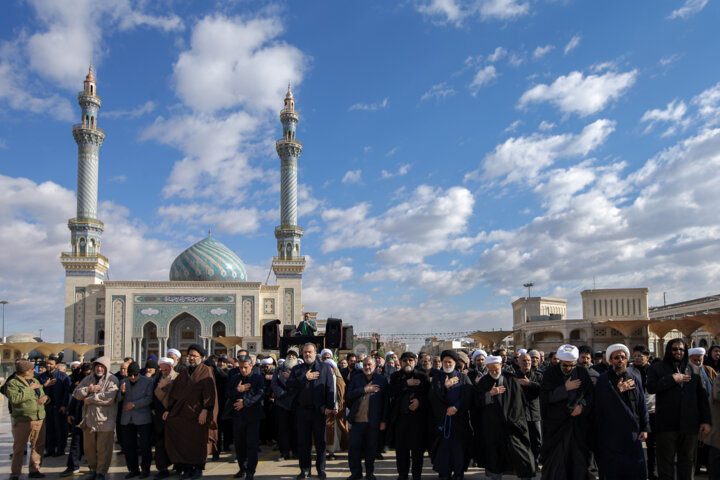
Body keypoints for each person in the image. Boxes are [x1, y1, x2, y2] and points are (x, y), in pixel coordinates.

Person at [647, 338, 711, 480]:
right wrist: (672, 379)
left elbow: (702, 397)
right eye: (675, 349)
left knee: (687, 461)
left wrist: (706, 421)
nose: (678, 352)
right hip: (667, 425)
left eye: (681, 349)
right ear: (669, 350)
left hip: (689, 424)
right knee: (666, 462)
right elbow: (651, 387)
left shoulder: (693, 369)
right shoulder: (657, 368)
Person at [593, 344, 649, 479]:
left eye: (623, 357)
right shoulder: (603, 380)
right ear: (610, 360)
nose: (620, 360)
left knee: (634, 467)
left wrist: (645, 427)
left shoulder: (634, 378)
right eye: (616, 357)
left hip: (632, 432)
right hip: (612, 434)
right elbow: (600, 405)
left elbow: (642, 403)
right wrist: (617, 392)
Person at [164, 344, 218, 480]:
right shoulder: (184, 373)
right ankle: (187, 468)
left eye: (194, 356)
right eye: (189, 355)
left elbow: (210, 393)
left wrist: (206, 410)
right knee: (184, 442)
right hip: (184, 413)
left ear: (201, 357)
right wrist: (169, 410)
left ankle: (198, 468)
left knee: (198, 443)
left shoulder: (206, 371)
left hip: (198, 414)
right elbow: (175, 393)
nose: (191, 358)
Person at [476, 355, 536, 480]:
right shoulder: (484, 382)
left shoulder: (511, 379)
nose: (493, 372)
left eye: (496, 369)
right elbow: (477, 402)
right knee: (495, 455)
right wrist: (490, 394)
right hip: (493, 426)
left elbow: (519, 402)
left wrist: (511, 419)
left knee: (520, 452)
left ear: (501, 366)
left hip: (513, 424)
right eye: (491, 369)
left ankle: (526, 475)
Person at [539, 344, 594, 480]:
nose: (568, 369)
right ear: (560, 362)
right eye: (565, 366)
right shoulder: (550, 374)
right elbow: (545, 397)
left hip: (578, 424)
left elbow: (590, 395)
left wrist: (581, 407)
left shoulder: (582, 373)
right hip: (557, 425)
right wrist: (564, 388)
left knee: (578, 460)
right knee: (556, 461)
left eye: (571, 366)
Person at [287, 342, 336, 480]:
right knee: (303, 443)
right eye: (305, 352)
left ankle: (321, 470)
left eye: (310, 352)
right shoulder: (297, 369)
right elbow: (290, 385)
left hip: (319, 411)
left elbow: (330, 388)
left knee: (321, 443)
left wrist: (329, 406)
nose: (307, 354)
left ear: (316, 353)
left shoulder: (325, 368)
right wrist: (305, 378)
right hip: (302, 411)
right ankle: (305, 470)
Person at [72, 356, 119, 480]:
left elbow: (110, 397)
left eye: (101, 366)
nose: (99, 369)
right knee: (89, 449)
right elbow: (76, 393)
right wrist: (89, 389)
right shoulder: (89, 379)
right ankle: (94, 469)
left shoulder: (112, 379)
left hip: (105, 420)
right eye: (97, 366)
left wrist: (90, 399)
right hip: (89, 419)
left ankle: (101, 472)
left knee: (103, 448)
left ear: (106, 368)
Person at [429, 350, 472, 480]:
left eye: (450, 362)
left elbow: (468, 395)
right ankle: (444, 472)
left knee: (458, 449)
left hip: (459, 421)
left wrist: (456, 407)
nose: (447, 364)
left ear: (455, 363)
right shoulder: (437, 379)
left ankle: (458, 473)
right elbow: (432, 397)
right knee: (444, 450)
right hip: (443, 421)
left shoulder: (463, 377)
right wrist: (445, 387)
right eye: (445, 362)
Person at [388, 352, 430, 480]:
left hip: (417, 420)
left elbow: (430, 396)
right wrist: (406, 383)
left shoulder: (422, 376)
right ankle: (402, 475)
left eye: (410, 360)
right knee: (401, 451)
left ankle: (416, 476)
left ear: (415, 361)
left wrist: (419, 402)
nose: (408, 363)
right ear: (400, 362)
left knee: (417, 452)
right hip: (401, 419)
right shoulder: (395, 376)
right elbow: (391, 391)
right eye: (405, 360)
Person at [345, 356, 388, 480]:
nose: (367, 367)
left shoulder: (382, 380)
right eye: (364, 365)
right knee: (354, 449)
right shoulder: (356, 379)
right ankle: (355, 473)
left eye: (369, 365)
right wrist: (364, 389)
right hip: (358, 421)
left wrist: (384, 420)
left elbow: (386, 402)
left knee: (371, 449)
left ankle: (370, 473)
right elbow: (349, 394)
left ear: (375, 366)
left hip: (373, 421)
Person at [6, 359, 48, 480]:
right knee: (19, 447)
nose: (33, 371)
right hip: (23, 419)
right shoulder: (13, 383)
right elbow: (14, 398)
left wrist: (45, 399)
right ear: (25, 371)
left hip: (39, 417)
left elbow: (41, 394)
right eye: (31, 369)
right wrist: (29, 389)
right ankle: (15, 473)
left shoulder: (35, 380)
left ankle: (34, 469)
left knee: (38, 445)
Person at [227, 355, 264, 480]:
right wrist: (237, 390)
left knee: (251, 444)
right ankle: (242, 468)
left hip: (252, 416)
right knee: (239, 444)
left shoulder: (258, 378)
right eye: (241, 367)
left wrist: (245, 403)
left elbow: (260, 394)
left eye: (245, 367)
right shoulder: (234, 378)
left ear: (251, 366)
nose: (243, 370)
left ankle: (250, 471)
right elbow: (228, 393)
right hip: (238, 417)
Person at [119, 362, 154, 479]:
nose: (132, 377)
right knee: (128, 446)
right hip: (127, 419)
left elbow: (149, 398)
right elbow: (117, 399)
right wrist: (122, 393)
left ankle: (145, 469)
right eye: (130, 375)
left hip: (143, 418)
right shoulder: (123, 382)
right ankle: (133, 469)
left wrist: (134, 404)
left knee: (145, 445)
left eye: (134, 375)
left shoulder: (148, 382)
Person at [629, 344, 657, 480]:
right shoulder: (629, 371)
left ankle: (652, 472)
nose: (637, 359)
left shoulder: (655, 370)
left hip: (652, 411)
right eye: (635, 356)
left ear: (648, 357)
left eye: (640, 356)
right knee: (634, 444)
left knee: (652, 445)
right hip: (636, 413)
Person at [37, 355, 71, 457]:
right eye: (47, 363)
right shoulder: (41, 377)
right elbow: (36, 390)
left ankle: (60, 449)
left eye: (51, 364)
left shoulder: (63, 376)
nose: (48, 365)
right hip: (47, 408)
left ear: (56, 365)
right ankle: (49, 449)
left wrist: (64, 405)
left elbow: (66, 392)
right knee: (48, 429)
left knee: (59, 429)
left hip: (59, 407)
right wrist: (45, 385)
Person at [63, 362, 92, 477]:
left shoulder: (98, 381)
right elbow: (75, 397)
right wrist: (70, 412)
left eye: (88, 374)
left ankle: (93, 467)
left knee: (91, 444)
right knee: (76, 442)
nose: (86, 376)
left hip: (91, 416)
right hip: (78, 415)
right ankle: (73, 466)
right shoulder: (81, 382)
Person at [152, 357, 178, 480]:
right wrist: (161, 386)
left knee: (175, 441)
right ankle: (162, 467)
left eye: (166, 369)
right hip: (160, 416)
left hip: (175, 414)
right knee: (161, 442)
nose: (164, 372)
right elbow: (155, 396)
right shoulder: (158, 378)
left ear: (171, 367)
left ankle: (179, 464)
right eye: (162, 370)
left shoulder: (178, 377)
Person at [271, 348, 299, 460]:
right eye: (289, 355)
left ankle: (296, 452)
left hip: (295, 403)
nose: (291, 357)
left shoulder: (299, 370)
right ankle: (284, 452)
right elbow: (274, 384)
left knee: (296, 429)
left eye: (293, 355)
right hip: (282, 403)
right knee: (283, 429)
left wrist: (290, 378)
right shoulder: (278, 370)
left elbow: (301, 384)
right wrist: (282, 394)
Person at [515, 352, 543, 465]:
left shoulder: (538, 376)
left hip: (535, 414)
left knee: (537, 440)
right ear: (518, 362)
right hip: (520, 414)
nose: (526, 363)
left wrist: (529, 383)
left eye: (528, 361)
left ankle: (535, 462)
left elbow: (544, 390)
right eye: (524, 361)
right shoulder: (513, 377)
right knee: (522, 440)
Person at [324, 358, 348, 459]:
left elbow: (339, 395)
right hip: (323, 409)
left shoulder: (337, 379)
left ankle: (331, 452)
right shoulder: (322, 378)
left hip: (333, 410)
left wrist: (335, 407)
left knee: (332, 431)